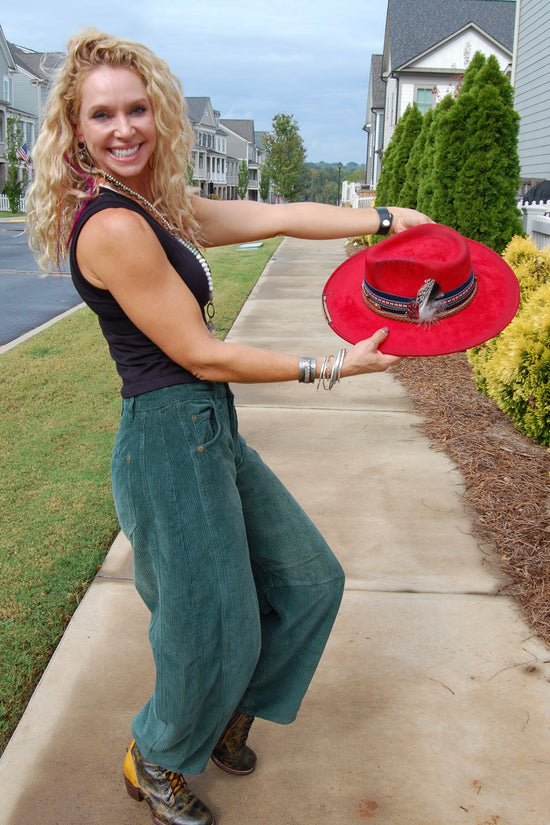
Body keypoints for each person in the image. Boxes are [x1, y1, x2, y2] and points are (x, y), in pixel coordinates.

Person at [27, 29, 433, 825]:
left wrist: (380, 218)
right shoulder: (111, 225)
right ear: (75, 130)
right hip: (167, 439)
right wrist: (330, 367)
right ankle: (157, 755)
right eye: (101, 114)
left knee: (311, 580)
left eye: (135, 108)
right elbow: (200, 352)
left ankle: (225, 714)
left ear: (158, 110)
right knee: (211, 624)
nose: (123, 128)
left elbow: (271, 212)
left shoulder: (155, 204)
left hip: (205, 428)